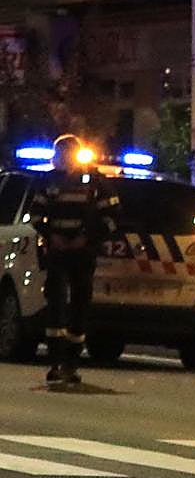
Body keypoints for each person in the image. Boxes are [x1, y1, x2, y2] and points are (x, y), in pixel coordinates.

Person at [28, 134, 121, 386]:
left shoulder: (95, 182)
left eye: (68, 153)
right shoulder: (48, 182)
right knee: (55, 305)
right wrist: (51, 235)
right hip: (57, 253)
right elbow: (35, 214)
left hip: (83, 253)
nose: (64, 159)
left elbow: (111, 216)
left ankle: (71, 363)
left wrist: (88, 238)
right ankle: (55, 362)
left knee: (80, 305)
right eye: (61, 154)